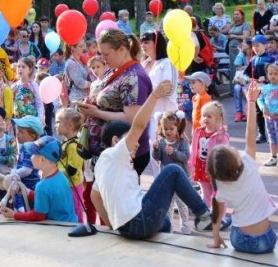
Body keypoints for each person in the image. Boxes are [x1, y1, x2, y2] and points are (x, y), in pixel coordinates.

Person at [90, 80, 213, 238]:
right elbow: (138, 126)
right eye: (131, 140)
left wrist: (112, 225)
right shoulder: (114, 154)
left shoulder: (103, 163)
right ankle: (203, 215)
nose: (136, 144)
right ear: (115, 141)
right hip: (138, 221)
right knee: (173, 170)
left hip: (127, 227)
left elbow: (95, 196)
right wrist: (155, 95)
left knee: (166, 223)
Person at [206, 81, 278, 254]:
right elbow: (251, 131)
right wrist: (251, 101)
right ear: (235, 160)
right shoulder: (248, 163)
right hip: (266, 242)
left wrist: (216, 238)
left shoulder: (221, 187)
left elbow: (217, 216)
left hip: (240, 241)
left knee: (234, 218)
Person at [78, 28, 152, 175]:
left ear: (122, 50)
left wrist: (97, 112)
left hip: (125, 153)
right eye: (101, 54)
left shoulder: (134, 77)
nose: (104, 59)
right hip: (110, 151)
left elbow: (132, 118)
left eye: (106, 54)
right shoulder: (117, 70)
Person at [0, 135, 77, 223]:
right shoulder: (61, 176)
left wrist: (14, 215)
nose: (30, 157)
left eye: (33, 154)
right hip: (71, 223)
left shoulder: (42, 186)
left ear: (42, 159)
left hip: (57, 229)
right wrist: (27, 192)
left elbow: (39, 215)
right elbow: (49, 198)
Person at [151, 111, 191, 234]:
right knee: (168, 203)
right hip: (167, 180)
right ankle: (169, 226)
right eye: (165, 129)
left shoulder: (182, 142)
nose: (168, 132)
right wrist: (156, 149)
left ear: (177, 127)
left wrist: (173, 153)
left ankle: (185, 225)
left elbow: (185, 157)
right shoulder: (162, 142)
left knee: (181, 203)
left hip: (180, 179)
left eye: (171, 129)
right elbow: (158, 158)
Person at [189, 101, 229, 208]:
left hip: (215, 170)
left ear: (218, 118)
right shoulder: (199, 131)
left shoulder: (221, 135)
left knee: (218, 193)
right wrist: (190, 162)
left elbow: (225, 152)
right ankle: (206, 214)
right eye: (204, 116)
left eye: (209, 116)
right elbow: (193, 148)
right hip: (201, 167)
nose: (205, 118)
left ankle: (220, 216)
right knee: (205, 191)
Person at [55, 107, 85, 223]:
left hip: (72, 186)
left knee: (75, 211)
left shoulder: (74, 145)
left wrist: (55, 174)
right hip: (65, 184)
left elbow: (72, 170)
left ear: (70, 125)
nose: (55, 125)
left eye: (58, 122)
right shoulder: (66, 142)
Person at [258, 64, 278, 168]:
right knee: (271, 136)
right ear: (267, 75)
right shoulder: (265, 88)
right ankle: (273, 156)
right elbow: (260, 99)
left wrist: (276, 113)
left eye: (275, 74)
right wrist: (263, 108)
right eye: (270, 74)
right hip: (268, 116)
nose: (273, 76)